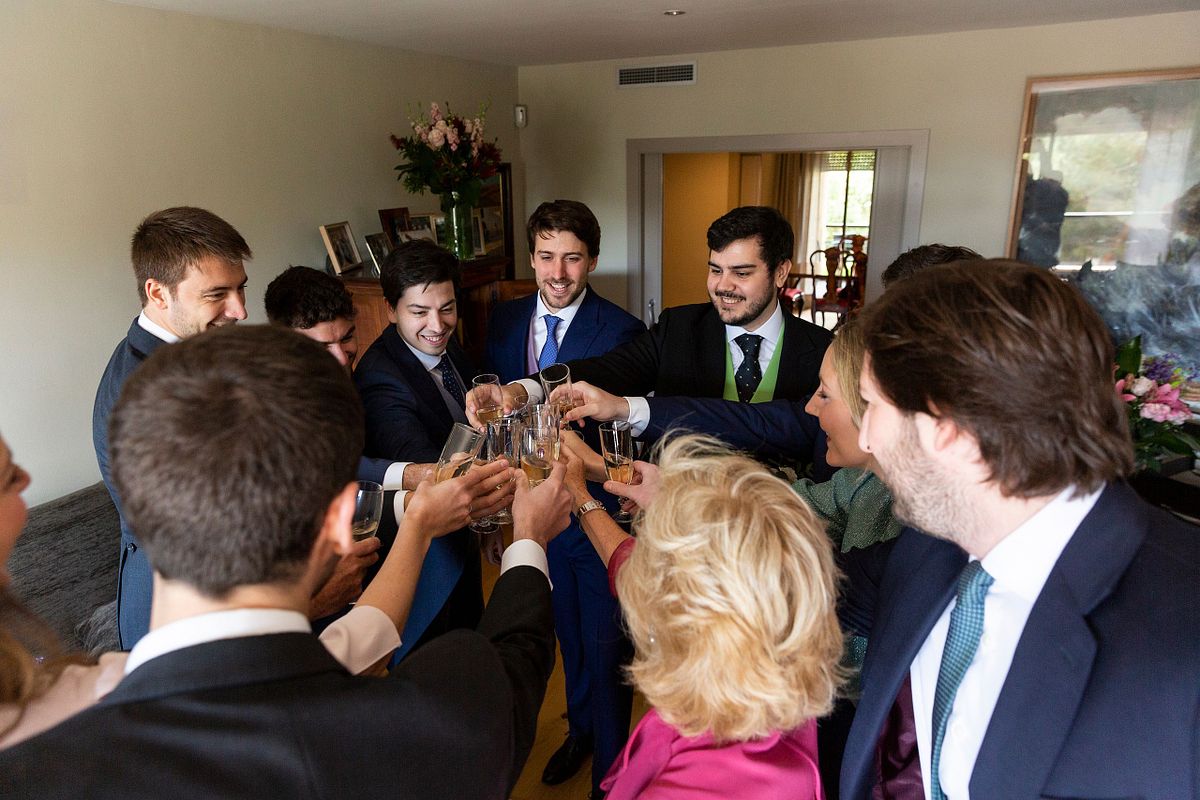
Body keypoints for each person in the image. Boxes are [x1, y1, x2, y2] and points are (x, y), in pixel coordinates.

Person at [0, 325, 572, 798]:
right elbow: (515, 658)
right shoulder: (432, 721)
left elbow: (345, 645)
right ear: (340, 520)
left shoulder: (37, 750)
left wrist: (419, 526)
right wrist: (528, 538)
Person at [842, 260, 1200, 799]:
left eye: (871, 405)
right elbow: (807, 582)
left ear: (952, 432)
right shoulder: (931, 548)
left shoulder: (1183, 645)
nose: (866, 438)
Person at [559, 435, 843, 799]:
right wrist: (585, 495)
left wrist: (580, 495)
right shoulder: (776, 669)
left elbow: (633, 574)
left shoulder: (693, 787)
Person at [484, 200, 645, 793]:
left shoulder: (623, 330)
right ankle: (579, 733)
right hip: (529, 513)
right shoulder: (503, 321)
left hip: (593, 513)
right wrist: (502, 515)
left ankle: (611, 774)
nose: (558, 272)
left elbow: (627, 432)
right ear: (531, 257)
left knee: (605, 647)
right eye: (546, 256)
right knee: (562, 639)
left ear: (592, 261)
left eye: (572, 258)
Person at [471, 206, 833, 470]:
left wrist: (626, 408)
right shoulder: (679, 326)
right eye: (715, 270)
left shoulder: (823, 351)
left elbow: (793, 432)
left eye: (741, 273)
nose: (723, 286)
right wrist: (523, 390)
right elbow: (610, 368)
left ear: (780, 272)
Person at [93, 207, 250, 650]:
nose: (240, 310)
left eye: (241, 287)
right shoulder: (143, 396)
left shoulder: (196, 347)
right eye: (217, 294)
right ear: (158, 293)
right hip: (183, 615)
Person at [265, 266, 513, 546]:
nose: (341, 358)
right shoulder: (268, 408)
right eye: (322, 347)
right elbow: (325, 471)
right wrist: (418, 476)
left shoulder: (348, 378)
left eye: (347, 338)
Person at [353, 239, 491, 660]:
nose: (438, 324)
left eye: (447, 308)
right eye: (420, 312)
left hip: (461, 536)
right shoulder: (380, 377)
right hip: (425, 566)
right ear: (390, 309)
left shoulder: (445, 348)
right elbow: (423, 467)